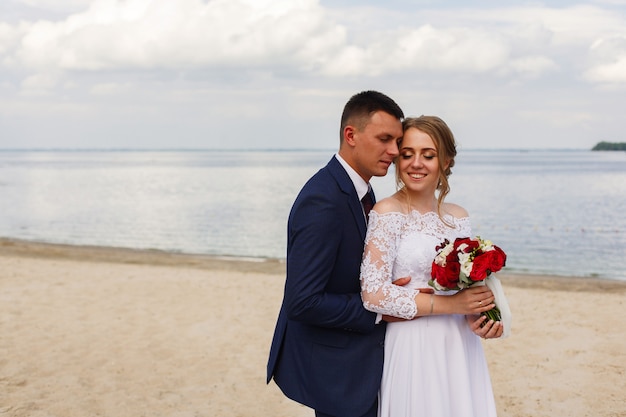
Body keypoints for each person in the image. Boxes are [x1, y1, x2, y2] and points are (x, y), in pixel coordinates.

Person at [266, 90, 405, 417]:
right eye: (385, 139)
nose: (394, 151)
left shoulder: (362, 188)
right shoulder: (324, 200)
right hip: (337, 369)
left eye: (398, 142)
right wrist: (379, 311)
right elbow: (303, 301)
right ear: (351, 135)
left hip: (358, 361)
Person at [360, 115, 503, 417]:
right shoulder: (386, 212)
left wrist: (481, 316)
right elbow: (373, 294)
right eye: (408, 154)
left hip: (458, 342)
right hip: (412, 341)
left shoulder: (458, 216)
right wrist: (451, 305)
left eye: (428, 155)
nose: (416, 163)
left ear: (446, 161)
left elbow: (469, 285)